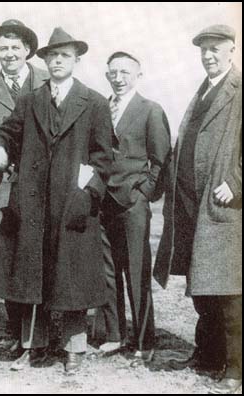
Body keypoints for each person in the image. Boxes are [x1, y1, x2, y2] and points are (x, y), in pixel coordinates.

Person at [0, 27, 113, 373]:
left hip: (74, 205)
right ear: (43, 60)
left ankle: (74, 350)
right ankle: (33, 346)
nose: (57, 61)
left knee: (72, 280)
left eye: (64, 56)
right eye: (51, 56)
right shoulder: (30, 101)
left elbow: (103, 158)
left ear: (76, 60)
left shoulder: (95, 103)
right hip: (34, 204)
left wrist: (88, 195)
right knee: (31, 276)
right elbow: (7, 132)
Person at [154, 24, 242, 394]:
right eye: (203, 49)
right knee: (202, 287)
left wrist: (237, 182)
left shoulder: (238, 89)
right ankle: (207, 356)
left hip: (224, 204)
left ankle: (236, 368)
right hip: (193, 204)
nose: (208, 55)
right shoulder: (203, 90)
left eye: (215, 48)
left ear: (232, 50)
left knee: (230, 292)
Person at [0, 19, 48, 350]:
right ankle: (15, 325)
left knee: (43, 254)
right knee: (6, 257)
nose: (9, 54)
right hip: (3, 190)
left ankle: (44, 328)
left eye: (15, 48)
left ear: (28, 51)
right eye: (2, 48)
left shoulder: (50, 83)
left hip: (44, 188)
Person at [97, 51, 171, 365]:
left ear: (138, 75)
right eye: (113, 72)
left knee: (137, 272)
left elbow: (161, 160)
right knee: (107, 272)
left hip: (133, 204)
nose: (118, 77)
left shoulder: (150, 110)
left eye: (125, 72)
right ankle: (114, 335)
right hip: (102, 203)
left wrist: (144, 193)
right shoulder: (100, 108)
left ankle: (144, 340)